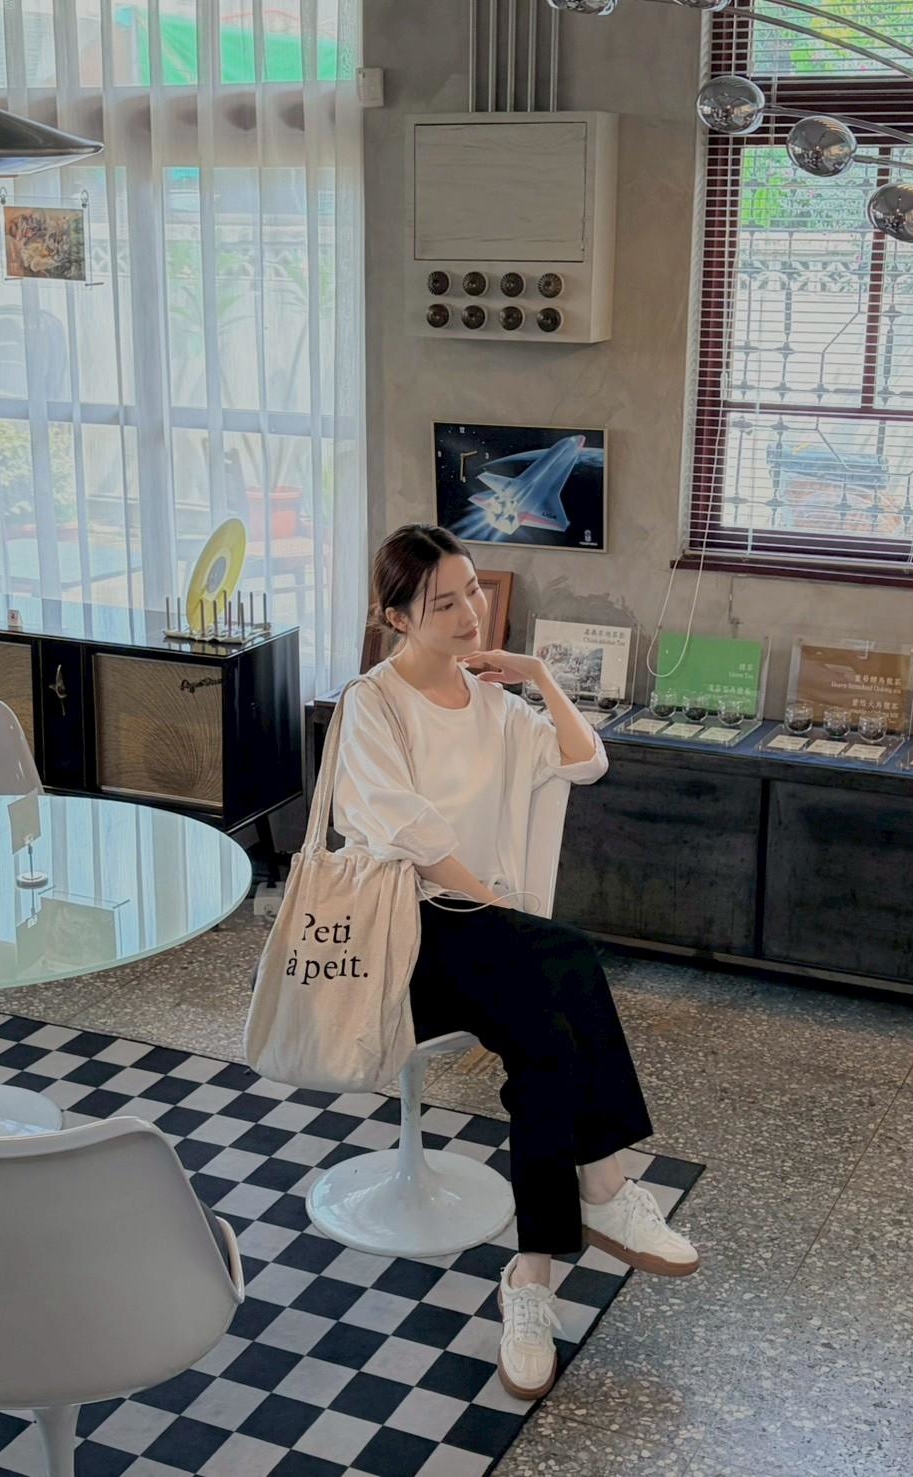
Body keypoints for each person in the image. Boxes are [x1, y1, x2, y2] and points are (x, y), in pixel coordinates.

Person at [334, 524, 699, 1401]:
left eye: (472, 590)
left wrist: (536, 674)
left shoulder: (493, 703)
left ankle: (531, 1277)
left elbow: (586, 759)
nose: (470, 612)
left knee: (544, 1043)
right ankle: (603, 1182)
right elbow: (413, 837)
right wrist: (496, 911)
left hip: (487, 940)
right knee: (561, 957)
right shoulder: (372, 704)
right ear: (395, 617)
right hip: (401, 940)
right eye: (444, 602)